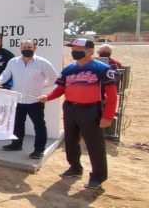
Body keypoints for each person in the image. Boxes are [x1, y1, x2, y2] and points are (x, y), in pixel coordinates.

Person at [38, 38, 117, 190]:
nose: (74, 51)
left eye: (78, 49)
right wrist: (48, 97)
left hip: (91, 110)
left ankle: (98, 176)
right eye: (73, 49)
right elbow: (60, 89)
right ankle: (75, 168)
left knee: (94, 144)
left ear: (90, 51)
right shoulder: (68, 69)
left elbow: (112, 96)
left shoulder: (102, 69)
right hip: (70, 108)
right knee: (71, 140)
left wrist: (107, 116)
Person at [0, 39, 58, 159]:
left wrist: (42, 86)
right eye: (24, 47)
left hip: (35, 101)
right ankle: (16, 144)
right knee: (17, 124)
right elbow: (5, 75)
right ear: (20, 49)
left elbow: (54, 78)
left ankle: (39, 150)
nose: (27, 49)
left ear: (35, 48)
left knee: (39, 126)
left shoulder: (42, 62)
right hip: (17, 99)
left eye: (30, 47)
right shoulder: (13, 62)